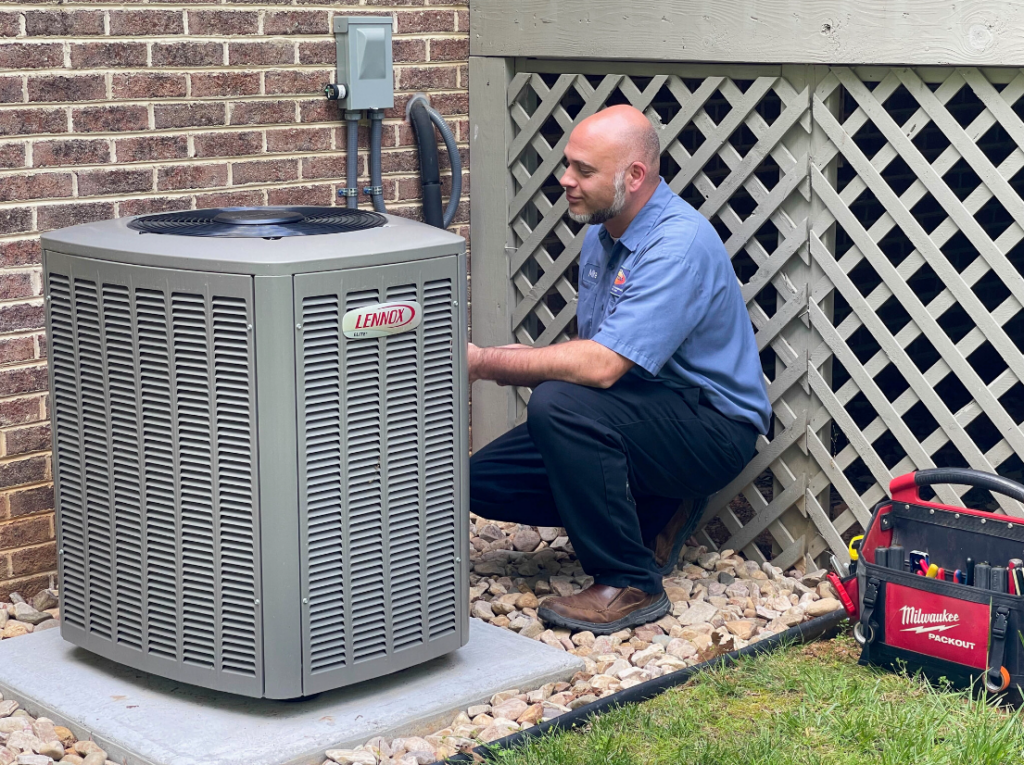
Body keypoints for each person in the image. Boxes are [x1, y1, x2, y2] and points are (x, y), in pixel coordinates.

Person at [468, 104, 771, 635]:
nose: (565, 180)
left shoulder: (677, 246)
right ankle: (650, 514)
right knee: (477, 481)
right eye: (568, 165)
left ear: (633, 176)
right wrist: (498, 356)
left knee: (557, 404)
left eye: (584, 170)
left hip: (711, 429)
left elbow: (602, 367)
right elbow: (599, 347)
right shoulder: (601, 235)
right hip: (639, 414)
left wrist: (483, 364)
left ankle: (629, 580)